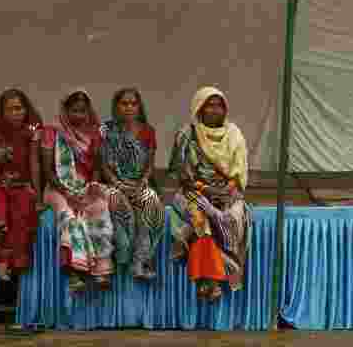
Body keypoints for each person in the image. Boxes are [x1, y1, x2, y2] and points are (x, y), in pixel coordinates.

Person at [167, 86, 251, 302]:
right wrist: (207, 190)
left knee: (231, 219)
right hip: (194, 191)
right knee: (201, 221)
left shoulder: (235, 135)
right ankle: (211, 281)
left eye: (219, 105)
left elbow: (239, 173)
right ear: (199, 108)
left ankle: (208, 279)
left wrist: (226, 191)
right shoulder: (187, 134)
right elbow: (182, 175)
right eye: (210, 105)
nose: (215, 110)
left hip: (227, 192)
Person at [40, 90, 114, 292]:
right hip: (58, 189)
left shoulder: (96, 132)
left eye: (83, 111)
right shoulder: (52, 131)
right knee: (70, 218)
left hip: (84, 188)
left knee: (100, 208)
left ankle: (101, 270)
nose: (79, 116)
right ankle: (75, 274)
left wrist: (91, 188)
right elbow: (47, 171)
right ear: (65, 110)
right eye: (74, 111)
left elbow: (97, 168)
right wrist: (66, 190)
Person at [0, 88, 42, 281]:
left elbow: (34, 165)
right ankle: (2, 260)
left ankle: (16, 264)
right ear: (2, 111)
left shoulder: (31, 132)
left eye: (19, 108)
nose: (16, 113)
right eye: (10, 109)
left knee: (22, 208)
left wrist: (38, 197)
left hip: (22, 186)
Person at [99, 88, 165, 280]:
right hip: (114, 185)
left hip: (139, 185)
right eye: (124, 103)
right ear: (116, 106)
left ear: (139, 107)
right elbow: (103, 164)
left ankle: (141, 260)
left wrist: (142, 182)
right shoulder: (106, 130)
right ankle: (123, 255)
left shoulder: (147, 131)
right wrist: (118, 184)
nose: (129, 108)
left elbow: (150, 164)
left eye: (133, 103)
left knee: (152, 200)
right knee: (116, 200)